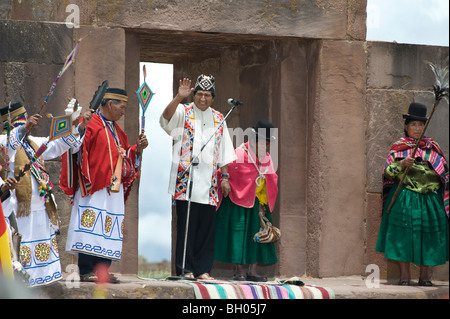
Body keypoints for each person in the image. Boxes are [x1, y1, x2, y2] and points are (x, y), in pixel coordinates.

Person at [63, 87, 148, 283]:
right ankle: (86, 270)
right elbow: (75, 146)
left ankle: (102, 271)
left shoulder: (118, 131)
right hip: (93, 187)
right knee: (91, 226)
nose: (123, 111)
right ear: (110, 104)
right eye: (122, 107)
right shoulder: (91, 123)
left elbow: (124, 155)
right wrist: (81, 127)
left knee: (109, 227)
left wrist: (138, 148)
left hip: (113, 189)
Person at [0, 101, 88, 287]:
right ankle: (21, 284)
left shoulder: (34, 143)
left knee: (41, 255)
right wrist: (23, 129)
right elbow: (10, 147)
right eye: (20, 123)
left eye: (26, 122)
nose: (26, 127)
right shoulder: (4, 141)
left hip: (41, 207)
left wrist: (75, 124)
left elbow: (58, 145)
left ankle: (43, 283)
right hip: (18, 210)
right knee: (21, 250)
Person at [160, 74, 236, 280]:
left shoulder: (220, 118)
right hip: (185, 181)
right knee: (186, 227)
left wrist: (226, 177)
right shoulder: (183, 112)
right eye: (199, 94)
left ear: (213, 97)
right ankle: (185, 269)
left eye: (207, 95)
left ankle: (203, 270)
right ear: (193, 95)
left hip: (210, 183)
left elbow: (225, 151)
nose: (203, 99)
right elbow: (165, 119)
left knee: (206, 229)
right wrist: (178, 97)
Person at [376, 102, 449, 286]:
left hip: (430, 200)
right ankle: (404, 277)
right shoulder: (399, 147)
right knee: (403, 236)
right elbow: (387, 171)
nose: (417, 129)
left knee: (430, 237)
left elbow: (444, 172)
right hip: (406, 197)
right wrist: (401, 165)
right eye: (413, 125)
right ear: (406, 127)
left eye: (420, 125)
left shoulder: (433, 147)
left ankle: (425, 277)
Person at [214, 120, 278, 281]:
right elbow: (223, 173)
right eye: (263, 143)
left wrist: (263, 204)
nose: (266, 148)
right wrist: (227, 184)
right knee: (238, 236)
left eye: (269, 144)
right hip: (238, 202)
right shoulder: (238, 154)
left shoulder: (267, 159)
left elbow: (269, 181)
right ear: (254, 141)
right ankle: (239, 271)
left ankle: (253, 272)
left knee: (257, 236)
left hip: (257, 204)